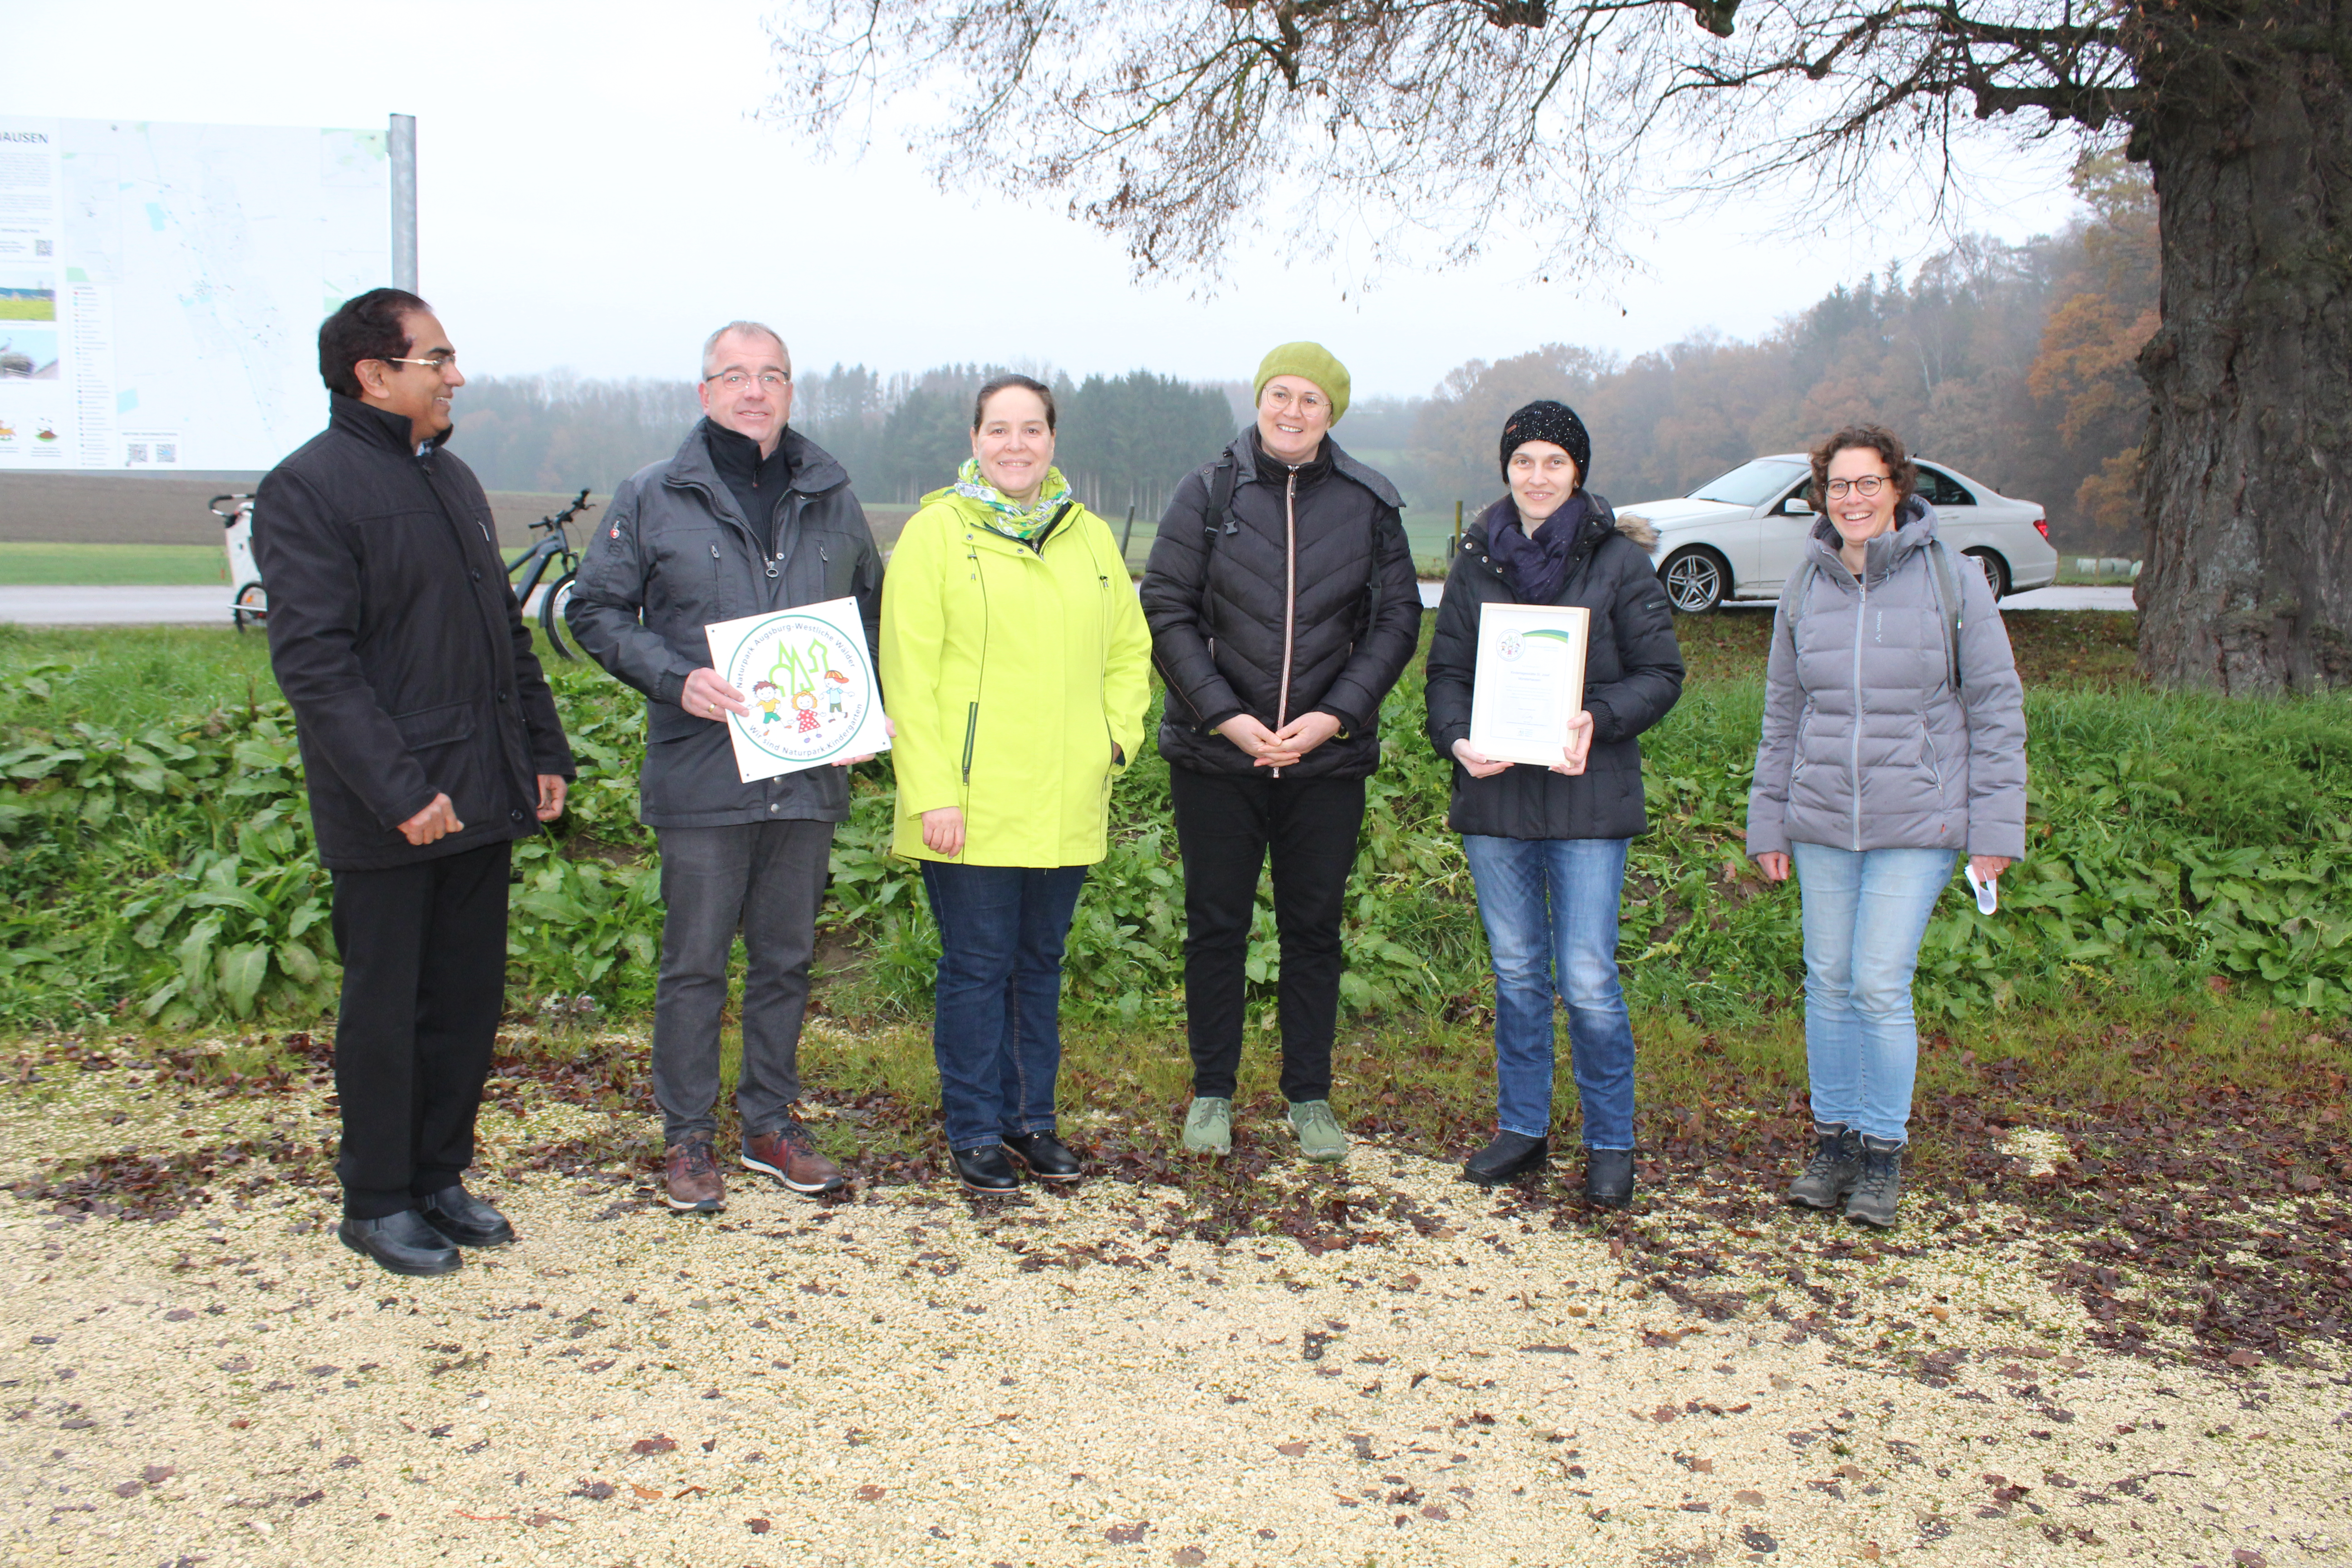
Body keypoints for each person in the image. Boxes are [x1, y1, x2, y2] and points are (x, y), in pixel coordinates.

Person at [254, 288, 574, 1278]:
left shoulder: (451, 478)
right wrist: (398, 790)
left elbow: (502, 637)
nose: (456, 376)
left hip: (479, 788)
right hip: (389, 806)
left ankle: (440, 1175)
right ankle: (378, 1198)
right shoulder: (307, 490)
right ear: (374, 376)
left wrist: (544, 749)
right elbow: (316, 664)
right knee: (388, 1007)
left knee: (465, 1000)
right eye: (437, 358)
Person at [567, 321, 884, 1215]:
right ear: (704, 392)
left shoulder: (830, 493)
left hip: (806, 775)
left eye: (772, 376)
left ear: (791, 392)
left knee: (787, 956)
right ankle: (688, 1139)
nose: (755, 391)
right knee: (696, 963)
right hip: (703, 770)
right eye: (735, 376)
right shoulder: (654, 495)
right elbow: (592, 610)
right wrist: (675, 680)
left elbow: (868, 614)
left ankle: (770, 1124)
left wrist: (861, 706)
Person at [1140, 343, 1422, 1164]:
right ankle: (1212, 1093)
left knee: (1312, 929)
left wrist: (1335, 717)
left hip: (1324, 762)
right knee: (1217, 926)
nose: (1292, 411)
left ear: (1332, 413)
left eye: (1310, 400)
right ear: (1259, 398)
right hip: (1216, 756)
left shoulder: (1372, 503)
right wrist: (1224, 716)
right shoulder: (1207, 489)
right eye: (1279, 394)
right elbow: (1166, 606)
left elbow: (1396, 622)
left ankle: (1310, 1095)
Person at [1746, 423, 2027, 1229]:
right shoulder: (1805, 582)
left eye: (1868, 483)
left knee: (1877, 981)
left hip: (1921, 818)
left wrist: (1994, 829)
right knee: (1828, 982)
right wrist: (1769, 821)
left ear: (1898, 488)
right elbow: (1783, 712)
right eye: (1838, 486)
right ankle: (1831, 1142)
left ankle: (1881, 1155)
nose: (1853, 499)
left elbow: (1997, 706)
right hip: (1824, 817)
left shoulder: (1954, 579)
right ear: (1820, 495)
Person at [880, 374, 1152, 1196]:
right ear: (974, 440)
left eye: (1032, 429)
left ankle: (1032, 1122)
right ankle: (973, 1129)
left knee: (1039, 963)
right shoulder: (934, 534)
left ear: (1052, 441)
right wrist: (933, 791)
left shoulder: (1092, 538)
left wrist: (1116, 741)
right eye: (999, 429)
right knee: (978, 966)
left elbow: (1128, 652)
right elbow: (909, 673)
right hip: (968, 800)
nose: (1015, 445)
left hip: (1066, 792)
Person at [1423, 402, 1683, 1207]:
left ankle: (1610, 1140)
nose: (1538, 477)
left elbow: (1661, 675)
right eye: (1524, 461)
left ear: (1579, 473)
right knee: (1515, 973)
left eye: (1554, 463)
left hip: (1587, 797)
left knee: (1588, 976)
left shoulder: (1619, 563)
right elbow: (1445, 677)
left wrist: (1597, 721)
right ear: (1507, 469)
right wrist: (1458, 738)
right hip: (1497, 799)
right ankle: (1523, 1129)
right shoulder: (1475, 562)